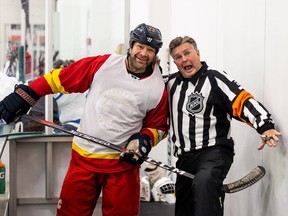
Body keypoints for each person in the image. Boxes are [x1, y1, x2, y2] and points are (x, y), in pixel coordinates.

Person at [0, 23, 168, 216]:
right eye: (140, 46)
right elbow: (61, 78)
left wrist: (145, 140)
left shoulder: (157, 87)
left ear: (155, 54)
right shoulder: (104, 65)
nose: (143, 53)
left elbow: (159, 125)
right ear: (131, 45)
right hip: (85, 158)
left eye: (150, 50)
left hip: (123, 166)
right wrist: (28, 93)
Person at [166, 36, 281, 216]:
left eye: (187, 53)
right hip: (185, 159)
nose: (184, 59)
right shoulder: (171, 83)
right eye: (178, 57)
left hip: (214, 152)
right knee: (184, 208)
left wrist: (264, 125)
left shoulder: (214, 78)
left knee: (204, 184)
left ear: (198, 53)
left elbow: (242, 101)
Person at [53, 59, 87, 131]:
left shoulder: (70, 85)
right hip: (79, 121)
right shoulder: (80, 81)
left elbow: (56, 100)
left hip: (73, 123)